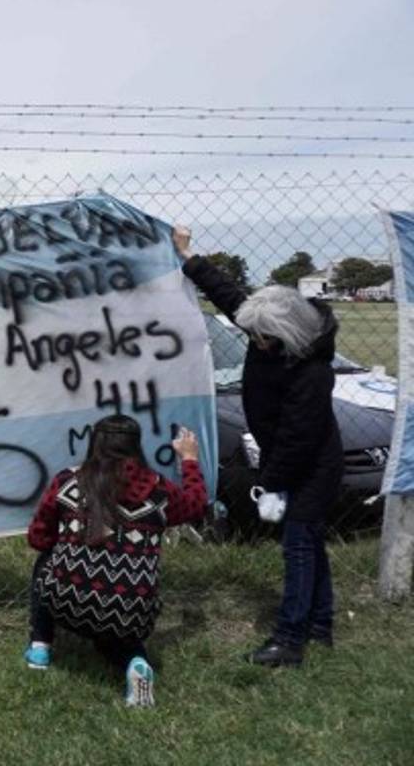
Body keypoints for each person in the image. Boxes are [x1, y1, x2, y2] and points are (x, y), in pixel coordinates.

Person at [174, 225, 342, 667]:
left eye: (262, 337)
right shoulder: (267, 331)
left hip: (310, 467)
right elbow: (232, 298)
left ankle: (290, 641)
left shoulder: (312, 373)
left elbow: (296, 440)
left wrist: (270, 485)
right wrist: (189, 258)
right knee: (309, 542)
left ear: (286, 335)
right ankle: (321, 624)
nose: (255, 341)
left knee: (299, 546)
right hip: (290, 458)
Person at [24, 415, 208, 707]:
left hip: (66, 602)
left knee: (46, 559)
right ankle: (136, 663)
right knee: (115, 633)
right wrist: (188, 459)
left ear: (93, 444)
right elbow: (196, 504)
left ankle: (40, 646)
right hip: (129, 609)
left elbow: (38, 538)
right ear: (137, 447)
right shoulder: (159, 491)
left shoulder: (67, 481)